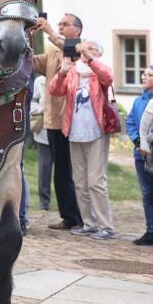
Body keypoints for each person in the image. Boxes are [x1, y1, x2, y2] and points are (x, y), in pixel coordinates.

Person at [49, 40, 117, 239]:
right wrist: (62, 71)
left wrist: (89, 57)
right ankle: (89, 223)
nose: (86, 52)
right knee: (79, 181)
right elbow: (55, 90)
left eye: (92, 48)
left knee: (96, 182)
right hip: (74, 132)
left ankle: (107, 227)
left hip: (96, 132)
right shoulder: (73, 72)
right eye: (84, 48)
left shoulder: (99, 72)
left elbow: (108, 77)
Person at [33, 13, 83, 231]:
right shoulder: (53, 53)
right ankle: (70, 216)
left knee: (74, 172)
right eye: (59, 24)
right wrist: (24, 36)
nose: (61, 27)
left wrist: (49, 30)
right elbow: (32, 63)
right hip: (52, 121)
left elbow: (70, 50)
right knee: (60, 173)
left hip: (72, 122)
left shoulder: (81, 49)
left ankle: (80, 216)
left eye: (66, 24)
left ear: (78, 31)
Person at [126, 64, 153, 246]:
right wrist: (137, 141)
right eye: (143, 74)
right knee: (147, 194)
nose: (144, 77)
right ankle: (151, 231)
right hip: (140, 155)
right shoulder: (138, 101)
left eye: (149, 75)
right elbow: (130, 122)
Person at [31, 74, 52, 211]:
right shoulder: (40, 81)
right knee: (45, 166)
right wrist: (40, 109)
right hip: (44, 129)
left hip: (64, 130)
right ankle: (44, 200)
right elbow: (31, 102)